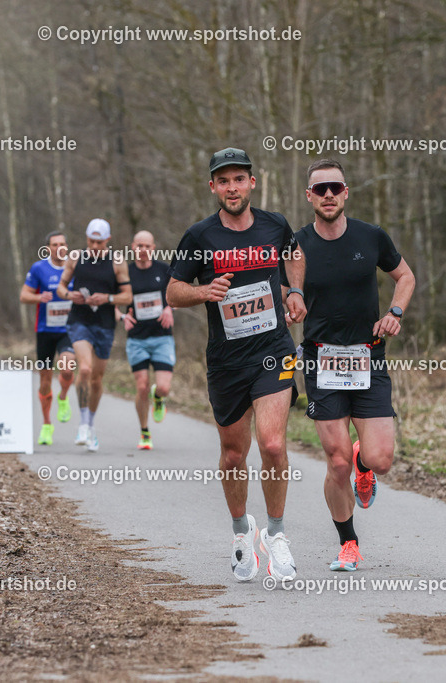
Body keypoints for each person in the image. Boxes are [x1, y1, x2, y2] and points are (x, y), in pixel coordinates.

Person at [166, 147, 307, 582]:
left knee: (273, 445)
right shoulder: (199, 236)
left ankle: (277, 535)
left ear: (252, 182)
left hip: (273, 351)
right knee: (232, 455)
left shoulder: (275, 224)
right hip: (227, 360)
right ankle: (241, 533)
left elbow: (294, 255)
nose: (232, 187)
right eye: (223, 181)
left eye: (238, 179)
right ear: (213, 187)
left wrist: (294, 292)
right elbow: (172, 291)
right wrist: (204, 292)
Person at [296, 158, 415, 572]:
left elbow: (406, 276)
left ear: (346, 192)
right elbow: (281, 291)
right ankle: (349, 544)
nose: (328, 194)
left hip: (368, 356)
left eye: (335, 187)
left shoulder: (371, 236)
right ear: (309, 196)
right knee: (337, 461)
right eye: (320, 189)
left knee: (379, 459)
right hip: (320, 359)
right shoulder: (296, 246)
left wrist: (395, 312)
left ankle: (367, 466)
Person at [57, 219, 132, 452]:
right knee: (85, 369)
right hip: (79, 321)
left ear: (107, 240)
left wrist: (107, 298)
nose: (95, 246)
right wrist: (70, 295)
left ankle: (90, 425)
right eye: (91, 241)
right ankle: (82, 424)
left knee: (97, 379)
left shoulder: (117, 262)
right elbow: (60, 287)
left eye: (99, 242)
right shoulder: (75, 258)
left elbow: (128, 297)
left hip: (105, 325)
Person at [21, 231, 77, 446]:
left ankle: (63, 397)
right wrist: (38, 297)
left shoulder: (74, 267)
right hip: (45, 332)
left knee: (67, 367)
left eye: (63, 243)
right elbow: (23, 295)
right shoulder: (38, 269)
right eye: (55, 244)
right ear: (48, 249)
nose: (59, 248)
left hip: (68, 330)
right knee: (44, 382)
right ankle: (46, 424)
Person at [121, 230, 174, 450]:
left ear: (153, 248)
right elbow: (109, 300)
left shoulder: (164, 270)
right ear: (132, 247)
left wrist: (170, 308)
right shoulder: (125, 273)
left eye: (147, 246)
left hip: (162, 337)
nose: (143, 250)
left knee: (163, 387)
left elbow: (177, 294)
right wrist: (122, 316)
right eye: (139, 246)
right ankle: (144, 432)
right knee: (141, 386)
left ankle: (158, 397)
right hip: (137, 340)